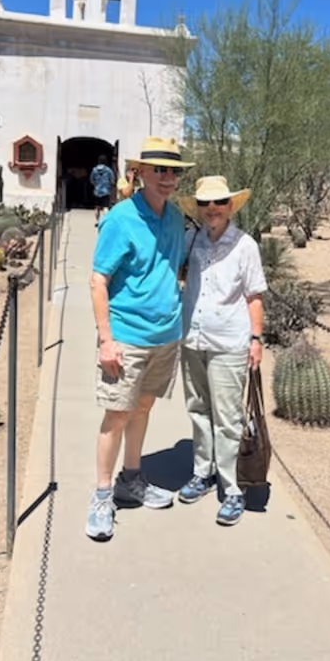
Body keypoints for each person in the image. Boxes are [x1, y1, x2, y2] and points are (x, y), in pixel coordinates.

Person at [86, 136, 195, 541]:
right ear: (141, 173)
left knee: (143, 407)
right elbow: (98, 279)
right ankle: (101, 495)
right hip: (127, 335)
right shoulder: (120, 218)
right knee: (116, 414)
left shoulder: (173, 216)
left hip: (165, 334)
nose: (167, 178)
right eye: (159, 170)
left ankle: (131, 480)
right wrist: (105, 340)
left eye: (174, 171)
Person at [177, 176, 267, 527]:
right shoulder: (192, 238)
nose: (212, 209)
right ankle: (203, 471)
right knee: (198, 408)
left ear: (231, 206)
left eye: (219, 203)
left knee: (228, 417)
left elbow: (254, 295)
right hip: (193, 337)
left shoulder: (245, 246)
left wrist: (256, 339)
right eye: (205, 204)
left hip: (229, 341)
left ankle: (233, 488)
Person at [90, 155, 115, 224]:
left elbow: (91, 180)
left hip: (97, 191)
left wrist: (96, 185)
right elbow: (112, 180)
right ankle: (105, 221)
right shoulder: (108, 170)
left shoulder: (94, 170)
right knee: (105, 207)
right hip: (106, 191)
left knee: (97, 207)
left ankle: (97, 221)